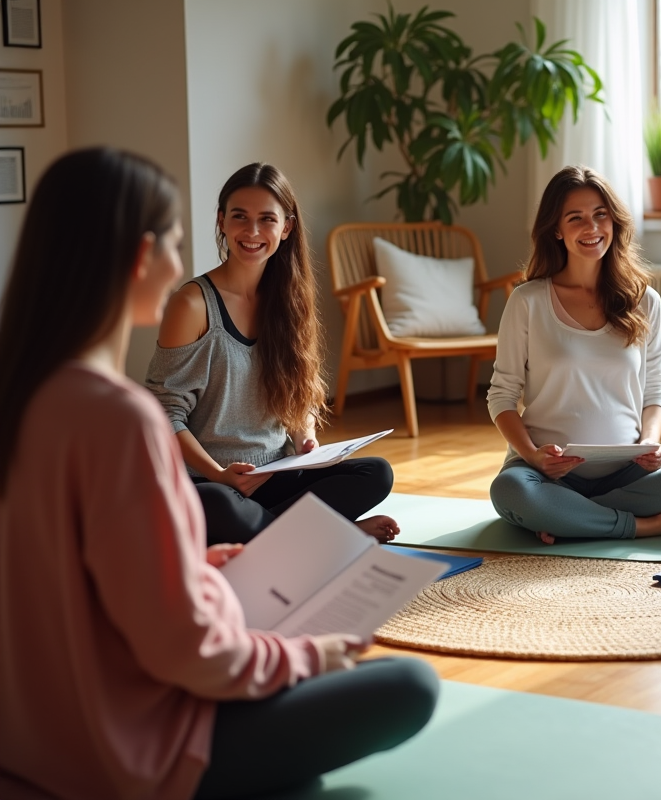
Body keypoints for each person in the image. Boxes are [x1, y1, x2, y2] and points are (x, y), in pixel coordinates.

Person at [0, 149, 438, 799]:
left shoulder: (24, 396)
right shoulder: (121, 419)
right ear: (140, 257)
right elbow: (187, 654)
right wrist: (309, 656)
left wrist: (199, 566)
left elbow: (81, 578)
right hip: (123, 750)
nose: (182, 261)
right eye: (176, 241)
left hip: (30, 738)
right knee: (410, 687)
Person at [146, 163, 397, 546]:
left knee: (376, 473)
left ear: (287, 227)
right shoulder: (192, 305)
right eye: (240, 217)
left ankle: (272, 539)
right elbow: (165, 413)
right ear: (222, 222)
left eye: (267, 219)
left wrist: (306, 439)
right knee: (215, 504)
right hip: (212, 482)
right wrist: (218, 473)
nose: (252, 232)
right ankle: (329, 537)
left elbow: (298, 394)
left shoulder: (289, 302)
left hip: (277, 474)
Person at [487, 165, 661, 543]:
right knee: (510, 492)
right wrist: (534, 456)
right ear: (556, 229)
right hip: (547, 473)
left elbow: (655, 390)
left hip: (628, 469)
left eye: (600, 215)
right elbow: (501, 395)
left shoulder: (645, 301)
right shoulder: (528, 301)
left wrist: (650, 442)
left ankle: (572, 517)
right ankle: (643, 523)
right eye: (576, 218)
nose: (592, 228)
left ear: (614, 222)